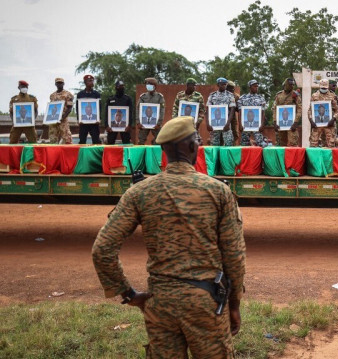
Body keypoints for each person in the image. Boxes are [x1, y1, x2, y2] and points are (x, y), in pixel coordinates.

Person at [92, 116, 245, 358]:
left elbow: (102, 249)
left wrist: (129, 294)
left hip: (159, 302)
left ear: (164, 150)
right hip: (205, 303)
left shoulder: (139, 192)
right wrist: (234, 305)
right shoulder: (218, 191)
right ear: (194, 147)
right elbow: (234, 256)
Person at [173, 78, 205, 143]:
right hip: (181, 124)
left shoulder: (198, 96)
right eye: (193, 85)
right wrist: (176, 120)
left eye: (195, 86)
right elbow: (175, 108)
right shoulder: (179, 95)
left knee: (196, 141)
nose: (195, 87)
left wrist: (198, 122)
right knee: (180, 141)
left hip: (194, 124)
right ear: (188, 85)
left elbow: (202, 111)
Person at [308, 79, 338, 147]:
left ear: (328, 87)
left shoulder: (332, 95)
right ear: (319, 86)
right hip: (316, 124)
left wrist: (333, 119)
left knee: (330, 145)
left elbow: (337, 110)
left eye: (325, 88)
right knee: (313, 144)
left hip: (329, 124)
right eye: (322, 88)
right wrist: (311, 120)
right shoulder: (314, 96)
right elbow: (310, 110)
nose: (323, 89)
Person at [207, 77, 236, 146]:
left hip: (226, 124)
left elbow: (232, 110)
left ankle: (227, 157)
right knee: (214, 145)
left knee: (229, 144)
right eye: (222, 84)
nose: (224, 86)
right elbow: (208, 110)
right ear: (218, 85)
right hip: (214, 125)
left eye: (225, 84)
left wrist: (228, 123)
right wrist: (208, 124)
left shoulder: (230, 95)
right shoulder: (212, 95)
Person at [272, 78, 301, 146]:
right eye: (290, 84)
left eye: (293, 85)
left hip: (292, 124)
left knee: (293, 144)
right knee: (280, 145)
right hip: (280, 124)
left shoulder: (296, 95)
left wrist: (296, 122)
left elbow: (300, 109)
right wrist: (275, 122)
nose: (292, 86)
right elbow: (274, 109)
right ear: (285, 85)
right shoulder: (279, 95)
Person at [238, 80, 267, 146]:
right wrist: (240, 124)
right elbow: (240, 112)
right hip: (245, 125)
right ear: (250, 87)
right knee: (244, 144)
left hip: (257, 125)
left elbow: (263, 112)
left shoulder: (261, 98)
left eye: (257, 86)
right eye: (254, 86)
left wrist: (262, 124)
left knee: (261, 144)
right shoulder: (242, 98)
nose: (256, 88)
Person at [137, 77, 165, 145]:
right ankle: (141, 155)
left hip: (156, 123)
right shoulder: (143, 97)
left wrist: (159, 123)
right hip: (143, 123)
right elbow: (138, 109)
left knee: (159, 139)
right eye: (147, 85)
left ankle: (155, 152)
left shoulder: (159, 97)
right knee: (141, 140)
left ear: (155, 86)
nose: (147, 86)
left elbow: (162, 110)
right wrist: (138, 122)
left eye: (149, 85)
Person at [105, 80, 134, 145]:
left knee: (126, 143)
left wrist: (129, 125)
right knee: (110, 142)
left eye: (122, 86)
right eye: (119, 86)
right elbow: (107, 113)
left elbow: (130, 112)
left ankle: (127, 155)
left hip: (125, 126)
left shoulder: (128, 99)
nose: (121, 88)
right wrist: (106, 125)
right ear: (115, 87)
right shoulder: (110, 99)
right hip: (111, 126)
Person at [76, 74, 101, 144]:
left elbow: (99, 107)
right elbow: (78, 107)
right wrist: (79, 119)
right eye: (89, 81)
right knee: (82, 140)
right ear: (85, 82)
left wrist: (99, 118)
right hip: (83, 122)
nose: (91, 82)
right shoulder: (80, 94)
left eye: (92, 81)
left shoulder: (97, 94)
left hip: (94, 122)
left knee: (96, 140)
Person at [48, 78, 74, 144]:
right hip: (53, 120)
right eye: (58, 83)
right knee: (52, 139)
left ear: (63, 84)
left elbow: (69, 108)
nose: (59, 84)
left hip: (63, 120)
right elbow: (51, 108)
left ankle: (68, 153)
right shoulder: (52, 95)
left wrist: (63, 117)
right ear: (55, 84)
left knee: (67, 138)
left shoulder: (68, 94)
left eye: (61, 83)